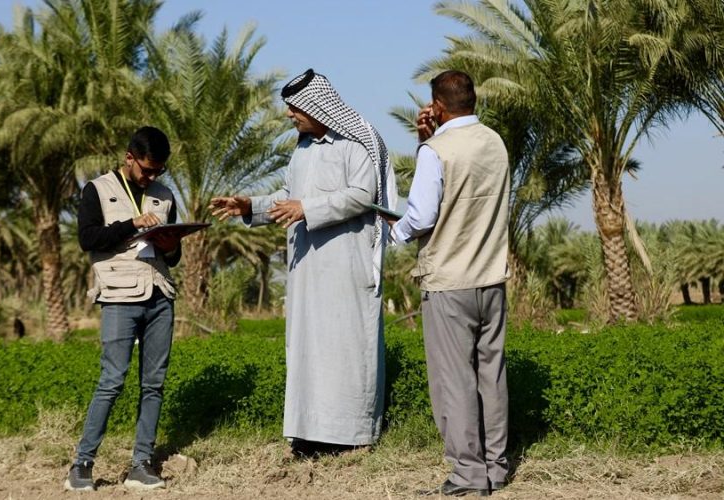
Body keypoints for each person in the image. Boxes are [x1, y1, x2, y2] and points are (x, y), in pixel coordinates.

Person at [210, 69, 396, 456]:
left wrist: (307, 207)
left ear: (318, 108)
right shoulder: (303, 149)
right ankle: (309, 434)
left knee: (346, 349)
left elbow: (364, 195)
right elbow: (287, 196)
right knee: (308, 350)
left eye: (295, 109)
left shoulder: (356, 144)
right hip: (307, 269)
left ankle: (351, 437)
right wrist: (251, 206)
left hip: (345, 266)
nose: (290, 116)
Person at [388, 71, 510, 497]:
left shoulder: (436, 151)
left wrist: (393, 233)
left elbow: (421, 216)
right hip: (492, 279)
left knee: (453, 382)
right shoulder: (495, 142)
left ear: (437, 106)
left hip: (448, 284)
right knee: (490, 376)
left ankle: (467, 476)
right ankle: (495, 468)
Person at [65, 126, 182, 491]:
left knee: (154, 383)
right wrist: (131, 224)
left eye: (158, 172)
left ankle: (141, 464)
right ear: (129, 158)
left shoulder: (165, 196)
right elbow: (88, 238)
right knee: (112, 381)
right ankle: (82, 464)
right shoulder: (97, 189)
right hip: (118, 295)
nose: (151, 177)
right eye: (146, 170)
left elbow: (174, 257)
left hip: (160, 295)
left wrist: (169, 243)